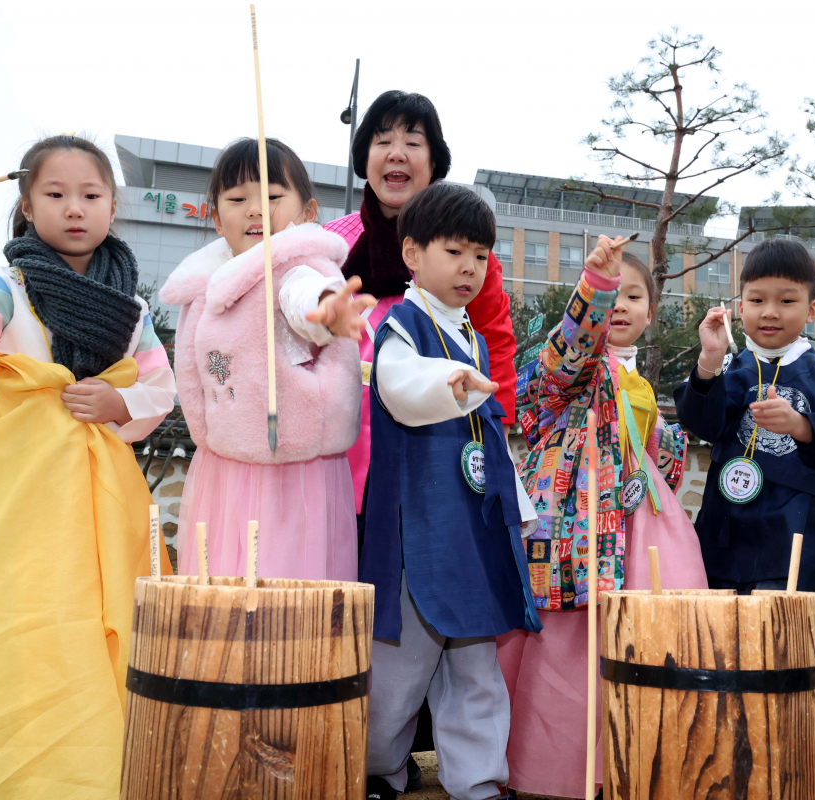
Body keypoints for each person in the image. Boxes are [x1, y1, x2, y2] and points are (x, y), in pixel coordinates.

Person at [0, 135, 176, 800]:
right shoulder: (7, 287)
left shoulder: (131, 310)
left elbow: (160, 392)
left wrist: (118, 401)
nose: (74, 209)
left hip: (100, 518)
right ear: (26, 206)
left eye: (90, 195)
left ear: (114, 207)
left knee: (103, 642)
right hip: (15, 515)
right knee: (20, 644)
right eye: (55, 194)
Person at [497, 245, 708, 798]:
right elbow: (570, 355)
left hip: (641, 522)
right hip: (579, 521)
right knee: (569, 645)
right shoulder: (569, 364)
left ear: (650, 312)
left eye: (632, 295)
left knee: (650, 638)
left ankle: (636, 760)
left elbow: (662, 459)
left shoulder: (639, 380)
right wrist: (598, 282)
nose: (620, 305)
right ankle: (557, 772)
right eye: (610, 295)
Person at [361, 183, 541, 800]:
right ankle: (379, 767)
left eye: (482, 256)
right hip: (418, 528)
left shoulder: (475, 337)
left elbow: (489, 439)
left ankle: (479, 780)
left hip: (473, 527)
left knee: (477, 663)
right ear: (413, 253)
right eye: (455, 251)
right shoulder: (400, 326)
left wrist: (518, 507)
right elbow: (399, 388)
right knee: (398, 668)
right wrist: (452, 381)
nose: (470, 267)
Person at [160, 138, 375, 581]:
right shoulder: (204, 283)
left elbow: (304, 300)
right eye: (238, 200)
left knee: (287, 590)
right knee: (221, 587)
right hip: (222, 470)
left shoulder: (296, 268)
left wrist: (327, 311)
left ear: (308, 213)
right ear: (217, 218)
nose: (256, 211)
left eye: (273, 197)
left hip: (292, 476)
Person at [324, 89, 517, 540]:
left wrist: (498, 430)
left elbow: (494, 340)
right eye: (382, 140)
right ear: (364, 156)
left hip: (438, 440)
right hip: (339, 446)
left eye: (413, 142)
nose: (397, 153)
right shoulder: (331, 242)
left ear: (434, 162)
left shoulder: (467, 251)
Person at [674, 238, 815, 594]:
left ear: (811, 310)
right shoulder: (728, 366)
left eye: (786, 301)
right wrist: (709, 358)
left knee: (784, 638)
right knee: (723, 640)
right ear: (739, 307)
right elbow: (699, 422)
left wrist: (800, 426)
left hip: (795, 532)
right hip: (726, 532)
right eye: (757, 300)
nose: (770, 311)